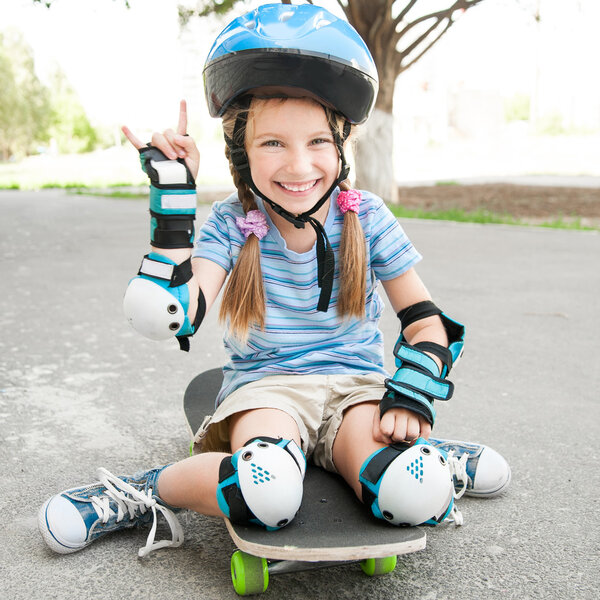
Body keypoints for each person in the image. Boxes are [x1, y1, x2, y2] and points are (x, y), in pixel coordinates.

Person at [38, 4, 510, 558]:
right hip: (268, 389)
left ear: (340, 144)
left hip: (356, 388)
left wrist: (412, 395)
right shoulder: (232, 225)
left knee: (416, 491)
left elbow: (427, 322)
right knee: (267, 492)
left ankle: (424, 454)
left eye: (316, 142)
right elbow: (175, 312)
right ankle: (147, 491)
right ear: (241, 151)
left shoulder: (367, 217)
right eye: (272, 143)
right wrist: (174, 204)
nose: (299, 165)